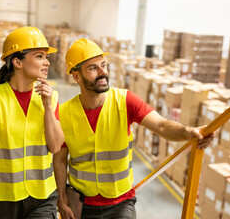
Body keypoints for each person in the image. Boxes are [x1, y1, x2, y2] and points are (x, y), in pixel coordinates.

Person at [53, 38, 214, 219]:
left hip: (121, 204)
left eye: (103, 65)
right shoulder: (64, 113)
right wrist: (61, 200)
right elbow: (60, 160)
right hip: (81, 206)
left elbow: (161, 125)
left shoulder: (125, 101)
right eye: (93, 68)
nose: (102, 72)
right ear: (76, 76)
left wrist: (187, 132)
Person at [0, 26, 64, 219]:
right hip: (2, 200)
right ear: (17, 61)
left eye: (46, 57)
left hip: (43, 196)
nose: (47, 62)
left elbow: (56, 146)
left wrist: (48, 106)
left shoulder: (51, 97)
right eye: (40, 56)